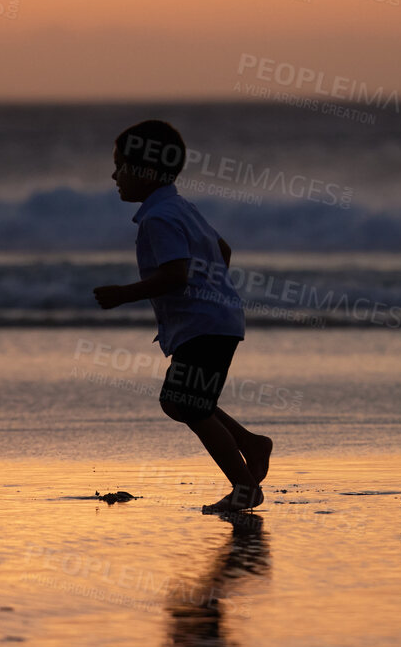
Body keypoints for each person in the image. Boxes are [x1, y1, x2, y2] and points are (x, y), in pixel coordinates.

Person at [93, 120, 273, 513]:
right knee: (182, 401)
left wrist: (124, 294)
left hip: (205, 326)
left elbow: (175, 275)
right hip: (213, 321)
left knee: (187, 403)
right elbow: (221, 250)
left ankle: (245, 486)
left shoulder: (159, 219)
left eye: (121, 165)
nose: (114, 175)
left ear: (145, 171)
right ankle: (250, 442)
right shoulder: (180, 207)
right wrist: (212, 293)